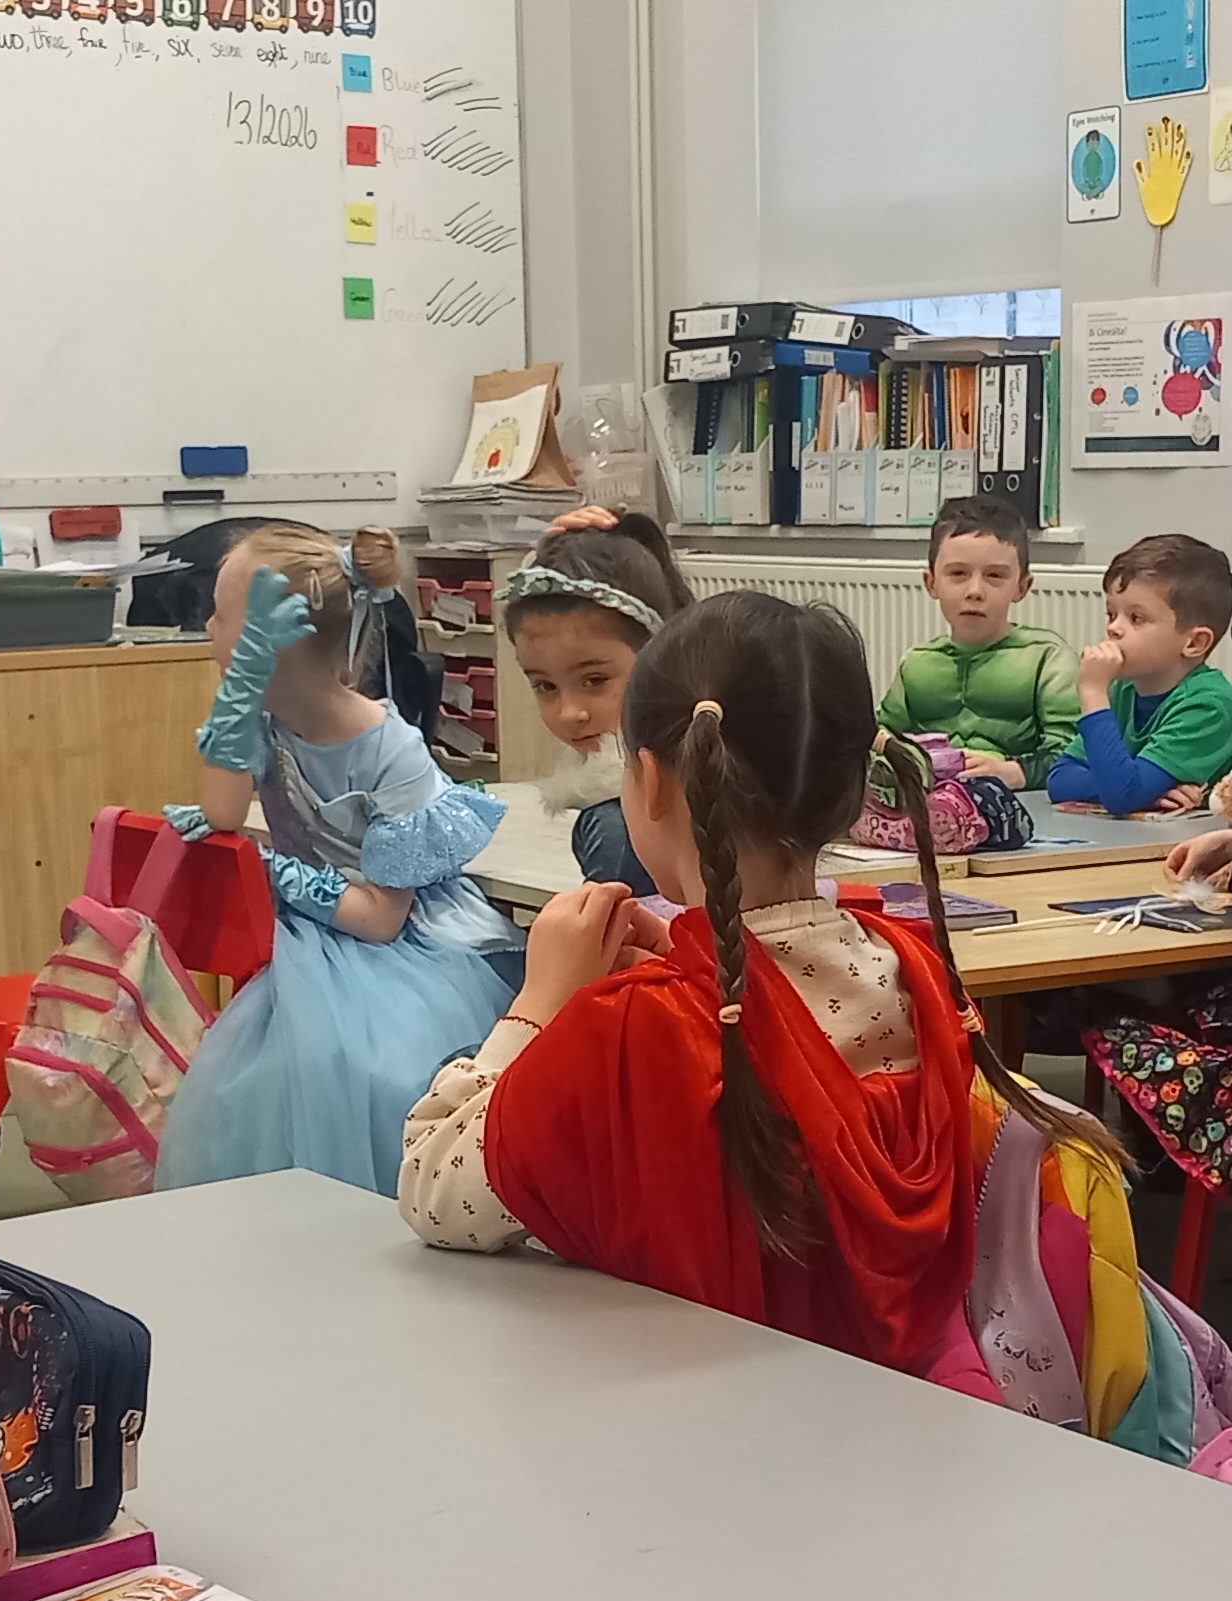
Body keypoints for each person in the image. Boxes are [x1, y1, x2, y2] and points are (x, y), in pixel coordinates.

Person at [396, 591, 1232, 1475]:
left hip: (702, 1463)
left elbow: (435, 1189)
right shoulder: (913, 968)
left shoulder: (633, 1027)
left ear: (648, 780)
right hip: (907, 1444)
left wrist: (540, 1004)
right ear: (849, 794)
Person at [155, 523, 519, 1195]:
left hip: (405, 945)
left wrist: (273, 871)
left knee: (374, 1071)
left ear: (275, 642)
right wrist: (239, 693)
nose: (207, 627)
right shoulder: (264, 720)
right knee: (262, 1077)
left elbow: (381, 918)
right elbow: (224, 815)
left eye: (222, 615)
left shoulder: (389, 749)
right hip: (315, 942)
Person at [501, 509, 691, 893]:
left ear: (659, 658)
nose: (570, 713)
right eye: (545, 686)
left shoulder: (621, 826)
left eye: (595, 680)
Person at [877, 494, 1077, 790]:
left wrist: (1014, 772)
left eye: (994, 575)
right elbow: (879, 741)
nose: (975, 591)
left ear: (1022, 587)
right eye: (958, 573)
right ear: (931, 583)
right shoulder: (917, 664)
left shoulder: (1047, 660)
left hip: (1021, 806)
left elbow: (1076, 754)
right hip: (932, 804)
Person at [1046, 533, 1232, 815]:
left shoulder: (1209, 706)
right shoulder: (1124, 689)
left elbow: (1124, 795)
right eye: (1111, 614)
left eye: (1136, 618)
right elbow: (1059, 779)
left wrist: (1093, 693)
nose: (1113, 629)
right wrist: (1144, 793)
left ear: (1194, 643)